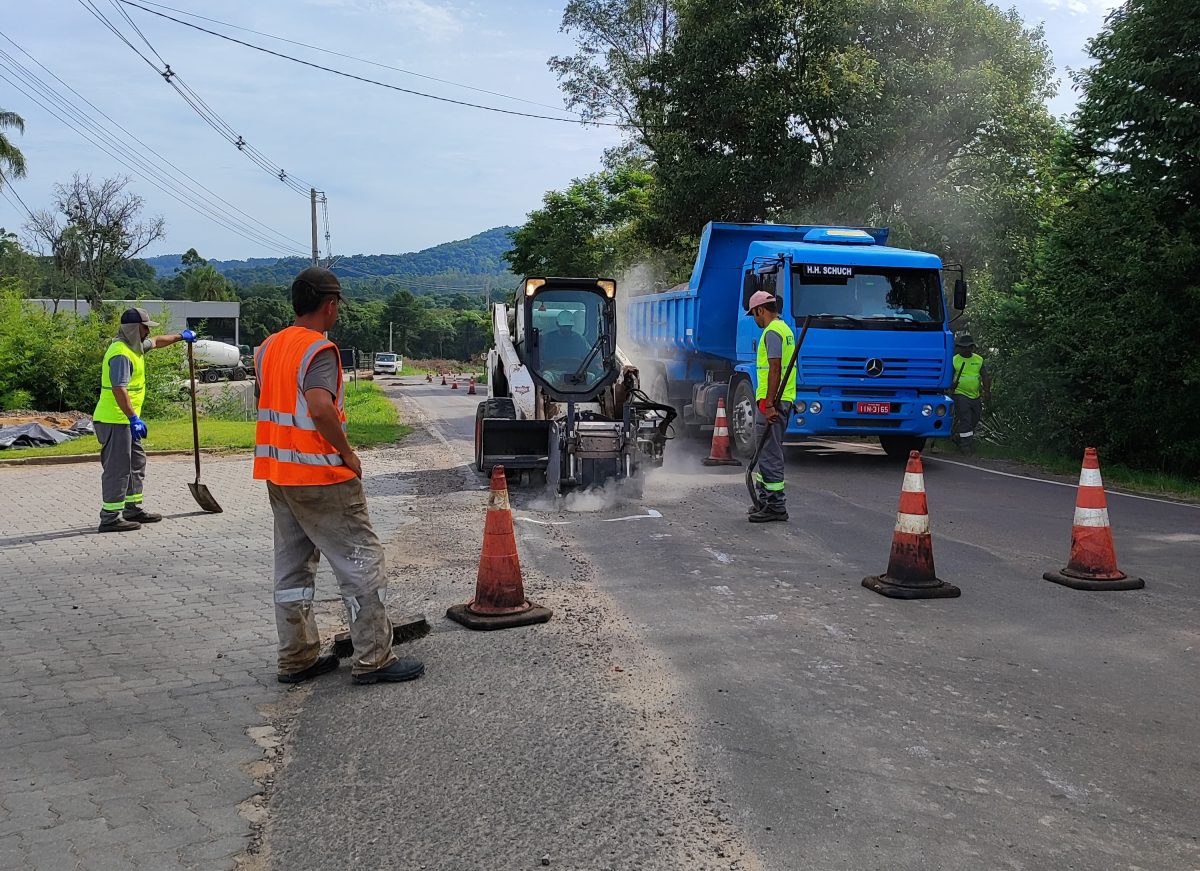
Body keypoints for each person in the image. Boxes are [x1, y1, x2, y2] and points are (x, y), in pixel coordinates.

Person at [254, 266, 424, 686]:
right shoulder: (319, 350)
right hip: (322, 477)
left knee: (292, 569)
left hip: (280, 475)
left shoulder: (267, 348)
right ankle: (373, 657)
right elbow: (318, 406)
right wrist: (347, 453)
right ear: (330, 306)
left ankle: (296, 658)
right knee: (362, 561)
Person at [93, 307, 195, 533]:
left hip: (126, 420)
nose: (148, 331)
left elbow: (157, 341)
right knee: (118, 469)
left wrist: (181, 337)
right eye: (145, 327)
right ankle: (109, 517)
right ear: (132, 329)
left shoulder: (134, 348)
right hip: (115, 420)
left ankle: (132, 508)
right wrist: (133, 418)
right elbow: (120, 389)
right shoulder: (121, 354)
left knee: (136, 463)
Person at [746, 289, 796, 523]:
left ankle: (776, 505)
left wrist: (769, 404)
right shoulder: (785, 329)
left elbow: (774, 369)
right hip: (782, 399)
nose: (754, 319)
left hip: (774, 402)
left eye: (753, 314)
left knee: (769, 453)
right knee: (765, 451)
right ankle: (765, 500)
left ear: (760, 310)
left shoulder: (772, 332)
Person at [951, 332, 991, 454]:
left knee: (975, 418)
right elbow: (948, 376)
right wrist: (950, 385)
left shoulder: (978, 359)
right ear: (960, 348)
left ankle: (959, 437)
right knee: (965, 417)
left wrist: (987, 391)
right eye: (963, 347)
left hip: (975, 395)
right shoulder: (954, 360)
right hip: (960, 393)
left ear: (972, 347)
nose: (966, 349)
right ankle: (965, 446)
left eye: (968, 347)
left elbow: (984, 376)